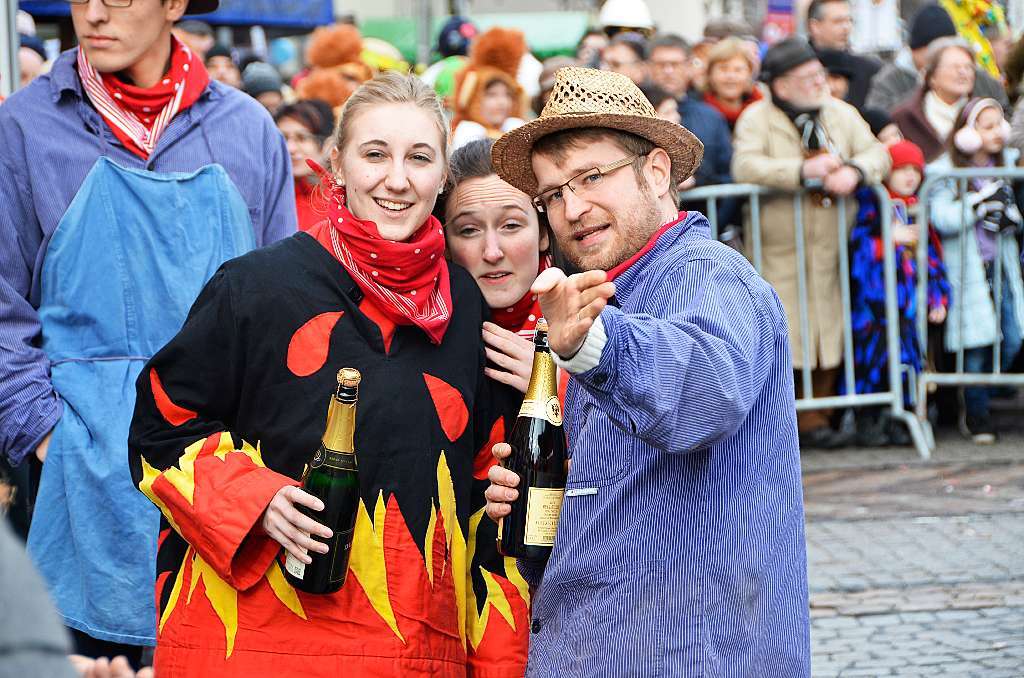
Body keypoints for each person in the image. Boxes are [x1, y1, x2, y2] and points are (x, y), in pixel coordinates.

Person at [127, 72, 529, 676]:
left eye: (419, 158)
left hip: (411, 653)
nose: (397, 179)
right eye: (375, 154)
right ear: (337, 163)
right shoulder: (255, 286)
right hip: (254, 649)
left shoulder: (468, 309)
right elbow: (161, 426)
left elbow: (484, 497)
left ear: (443, 175)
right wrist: (256, 502)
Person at [486, 66, 810, 674]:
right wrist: (535, 499)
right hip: (594, 642)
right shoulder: (604, 291)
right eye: (553, 193)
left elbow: (700, 394)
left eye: (590, 177)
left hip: (693, 649)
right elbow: (607, 500)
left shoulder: (708, 273)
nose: (572, 207)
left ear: (656, 172)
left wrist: (590, 347)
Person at [0, 0, 296, 666]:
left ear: (174, 4)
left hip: (225, 476)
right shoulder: (21, 129)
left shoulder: (247, 131)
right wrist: (49, 436)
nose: (94, 13)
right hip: (76, 484)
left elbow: (285, 311)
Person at [732, 37, 890, 448]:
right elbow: (745, 165)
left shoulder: (840, 113)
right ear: (781, 85)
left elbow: (879, 153)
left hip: (832, 245)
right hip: (779, 247)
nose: (819, 83)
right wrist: (802, 171)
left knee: (830, 328)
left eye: (820, 75)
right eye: (808, 78)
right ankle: (793, 420)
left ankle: (821, 414)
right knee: (789, 331)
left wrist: (855, 170)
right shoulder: (757, 117)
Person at [928, 97, 1024, 444]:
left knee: (1013, 337)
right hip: (968, 269)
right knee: (977, 345)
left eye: (999, 123)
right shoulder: (944, 172)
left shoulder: (1011, 167)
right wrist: (978, 205)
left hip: (1003, 266)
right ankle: (977, 412)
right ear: (966, 133)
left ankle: (989, 393)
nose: (996, 133)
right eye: (986, 126)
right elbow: (942, 217)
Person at [848, 140, 950, 446]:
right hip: (873, 309)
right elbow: (858, 251)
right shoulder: (872, 206)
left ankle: (903, 417)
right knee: (873, 362)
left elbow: (933, 261)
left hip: (908, 308)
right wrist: (886, 240)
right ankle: (870, 419)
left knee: (908, 361)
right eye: (901, 169)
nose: (909, 177)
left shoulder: (920, 207)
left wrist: (938, 297)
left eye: (915, 170)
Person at [865, 4, 1008, 114]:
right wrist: (923, 89)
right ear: (914, 50)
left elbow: (1004, 111)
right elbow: (879, 119)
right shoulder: (890, 80)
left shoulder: (975, 76)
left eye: (946, 50)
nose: (940, 57)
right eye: (933, 50)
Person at [892, 38, 976, 163]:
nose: (963, 72)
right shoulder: (905, 117)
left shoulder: (981, 113)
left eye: (968, 67)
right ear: (932, 76)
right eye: (955, 67)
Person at [450, 28, 528, 150]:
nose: (502, 102)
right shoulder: (467, 135)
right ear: (471, 98)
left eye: (508, 95)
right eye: (492, 95)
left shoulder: (515, 128)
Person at [805, 0, 880, 109]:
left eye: (849, 20)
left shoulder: (870, 70)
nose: (846, 27)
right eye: (838, 21)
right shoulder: (795, 69)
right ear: (814, 26)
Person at [275, 99, 335, 231]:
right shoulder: (270, 197)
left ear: (325, 145)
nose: (290, 148)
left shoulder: (342, 200)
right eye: (282, 138)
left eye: (302, 138)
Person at [702, 36, 763, 131]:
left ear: (749, 74)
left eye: (738, 70)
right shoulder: (697, 113)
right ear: (710, 74)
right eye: (723, 69)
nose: (731, 76)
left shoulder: (762, 111)